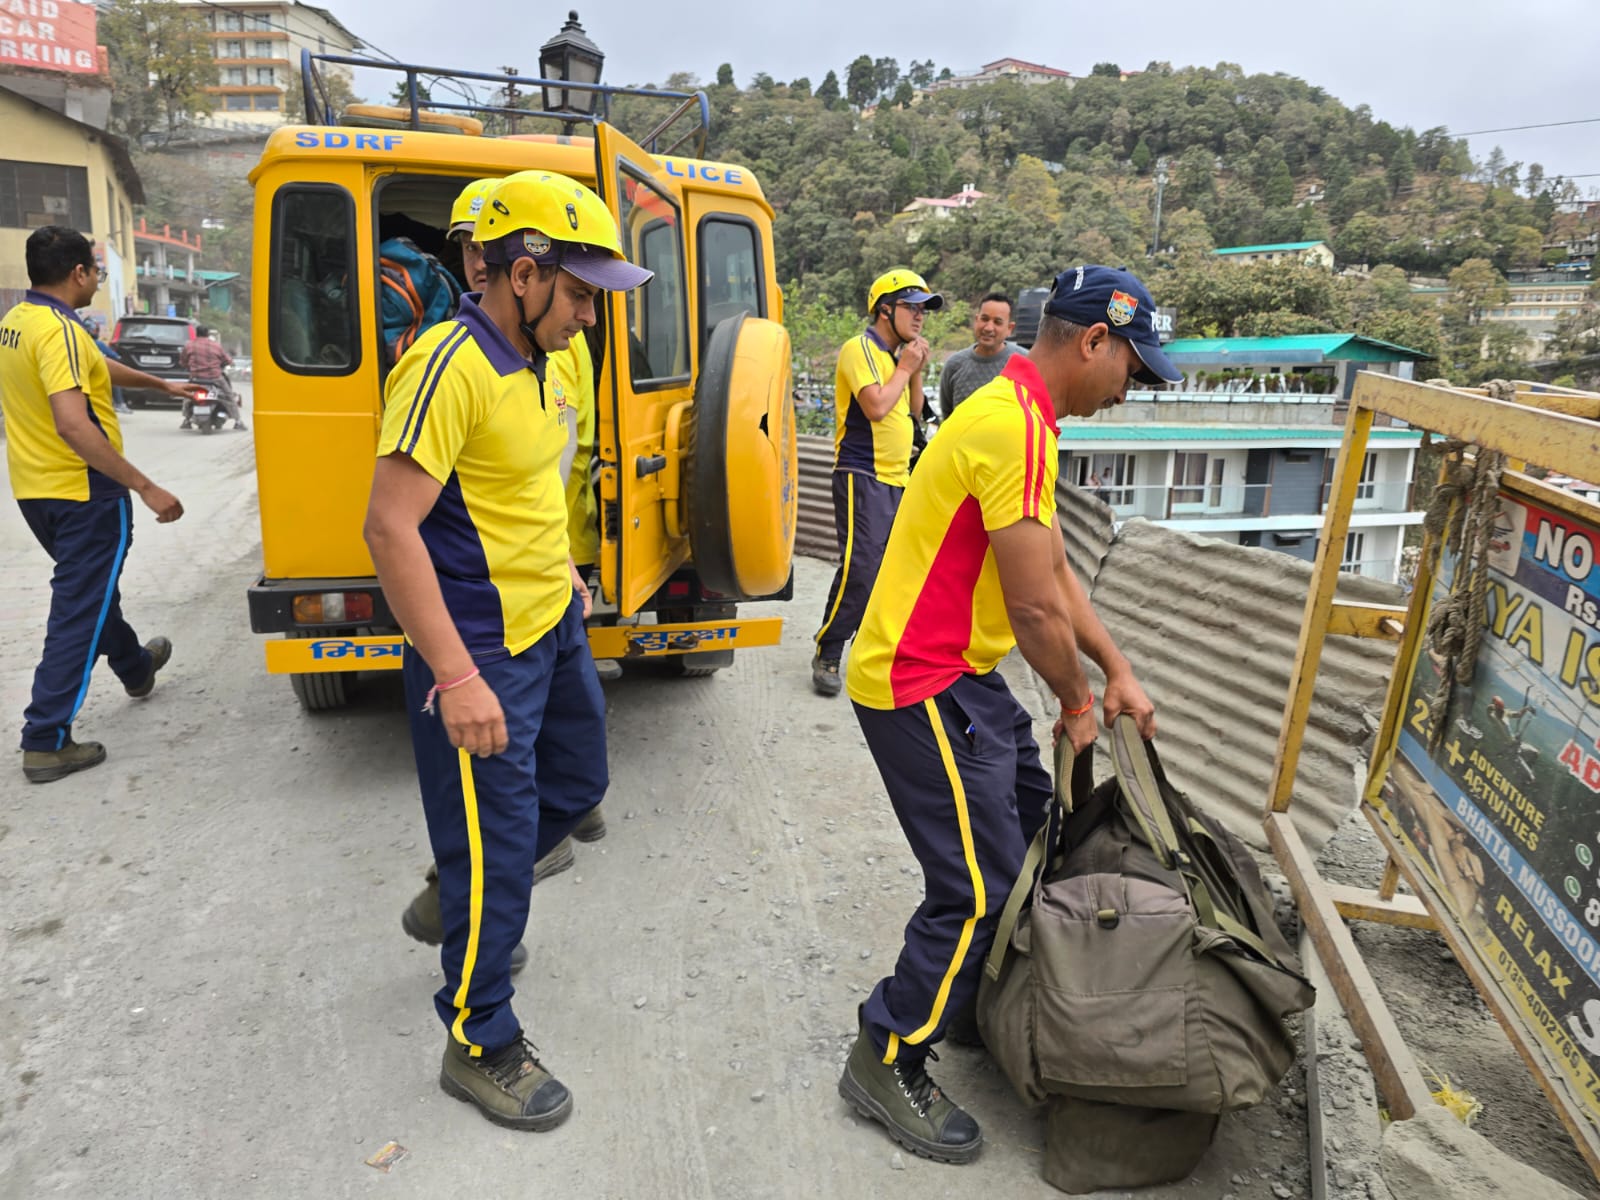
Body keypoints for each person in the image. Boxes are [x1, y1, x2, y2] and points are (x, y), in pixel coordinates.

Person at [835, 265, 1180, 1163]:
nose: (1133, 389)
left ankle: (970, 995)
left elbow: (1054, 568)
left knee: (1030, 835)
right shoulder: (1010, 424)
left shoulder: (1025, 417)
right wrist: (1077, 701)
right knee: (978, 884)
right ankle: (888, 1054)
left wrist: (1116, 670)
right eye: (1133, 368)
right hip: (916, 679)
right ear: (1094, 341)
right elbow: (1032, 608)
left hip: (965, 672)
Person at [363, 170, 651, 1132]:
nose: (589, 317)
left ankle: (460, 888)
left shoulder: (539, 360)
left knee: (578, 786)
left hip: (549, 623)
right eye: (580, 295)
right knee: (498, 846)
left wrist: (561, 566)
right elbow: (390, 528)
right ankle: (480, 1036)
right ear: (523, 276)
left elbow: (520, 485)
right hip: (479, 643)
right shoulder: (448, 366)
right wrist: (455, 677)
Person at [0, 226, 195, 782]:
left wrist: (160, 386)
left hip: (36, 492)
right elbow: (72, 423)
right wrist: (144, 486)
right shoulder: (59, 330)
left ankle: (135, 666)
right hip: (84, 494)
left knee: (91, 592)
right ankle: (45, 740)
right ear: (79, 272)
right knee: (79, 610)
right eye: (96, 270)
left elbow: (94, 366)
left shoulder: (19, 321)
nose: (97, 279)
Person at [811, 268, 939, 697]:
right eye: (912, 307)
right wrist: (905, 366)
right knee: (861, 568)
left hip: (897, 478)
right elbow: (877, 407)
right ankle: (829, 649)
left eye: (924, 310)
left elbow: (915, 411)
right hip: (862, 473)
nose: (920, 316)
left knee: (891, 573)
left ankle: (873, 651)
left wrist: (915, 369)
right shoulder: (859, 349)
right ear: (885, 309)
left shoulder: (896, 359)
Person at [937, 292, 1016, 419]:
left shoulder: (1025, 362)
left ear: (1010, 328)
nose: (988, 328)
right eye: (984, 319)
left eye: (997, 322)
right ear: (976, 320)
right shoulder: (954, 365)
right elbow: (947, 417)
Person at [179, 325, 244, 430]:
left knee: (187, 397)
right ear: (207, 334)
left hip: (196, 379)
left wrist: (189, 367)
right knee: (229, 396)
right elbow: (227, 360)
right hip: (215, 378)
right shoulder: (216, 346)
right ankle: (238, 422)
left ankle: (186, 421)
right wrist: (230, 362)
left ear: (196, 334)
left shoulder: (189, 345)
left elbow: (183, 361)